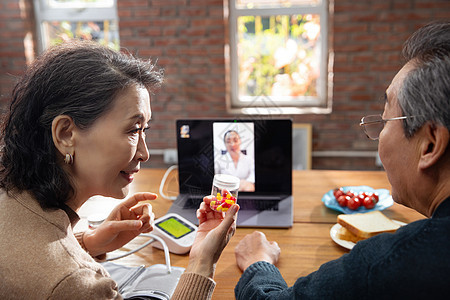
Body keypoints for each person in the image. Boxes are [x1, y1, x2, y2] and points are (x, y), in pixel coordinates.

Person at [0, 40, 239, 299]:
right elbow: (60, 279)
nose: (144, 153)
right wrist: (203, 263)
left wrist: (86, 243)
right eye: (133, 129)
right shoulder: (75, 282)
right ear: (66, 133)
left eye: (144, 130)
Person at [233, 21, 450, 299]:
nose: (379, 135)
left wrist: (257, 263)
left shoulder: (392, 264)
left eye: (385, 121)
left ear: (430, 144)